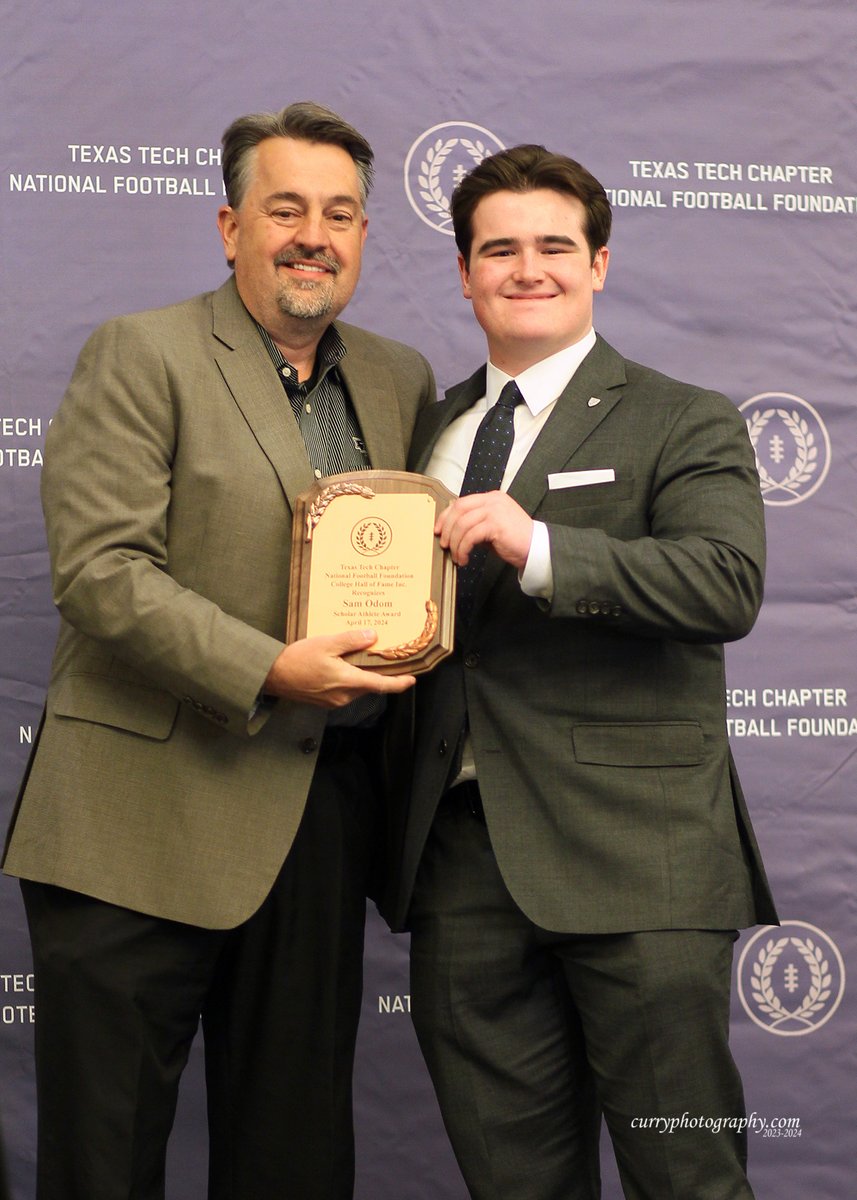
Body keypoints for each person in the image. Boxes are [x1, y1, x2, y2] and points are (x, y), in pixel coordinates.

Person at [3, 101, 435, 1200]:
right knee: (104, 1160)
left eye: (338, 213)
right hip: (135, 820)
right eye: (283, 207)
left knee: (291, 1161)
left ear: (364, 237)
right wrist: (265, 667)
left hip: (317, 817)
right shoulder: (141, 352)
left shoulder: (400, 378)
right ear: (228, 224)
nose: (312, 234)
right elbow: (102, 571)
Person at [383, 145, 778, 1200]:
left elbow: (723, 583)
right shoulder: (428, 431)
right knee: (510, 1182)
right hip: (458, 863)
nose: (526, 268)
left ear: (597, 263)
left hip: (635, 860)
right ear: (464, 274)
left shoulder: (683, 416)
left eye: (553, 246)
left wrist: (537, 543)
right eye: (496, 249)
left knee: (682, 1174)